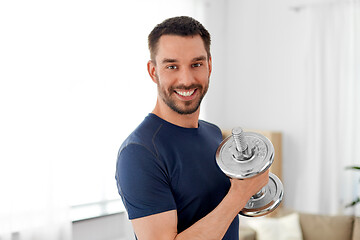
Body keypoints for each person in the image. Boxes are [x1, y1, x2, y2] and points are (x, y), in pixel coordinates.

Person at [115, 16, 269, 240]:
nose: (186, 80)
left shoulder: (213, 133)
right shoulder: (139, 152)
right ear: (153, 71)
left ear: (209, 65)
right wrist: (239, 194)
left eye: (196, 64)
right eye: (172, 66)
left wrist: (251, 184)